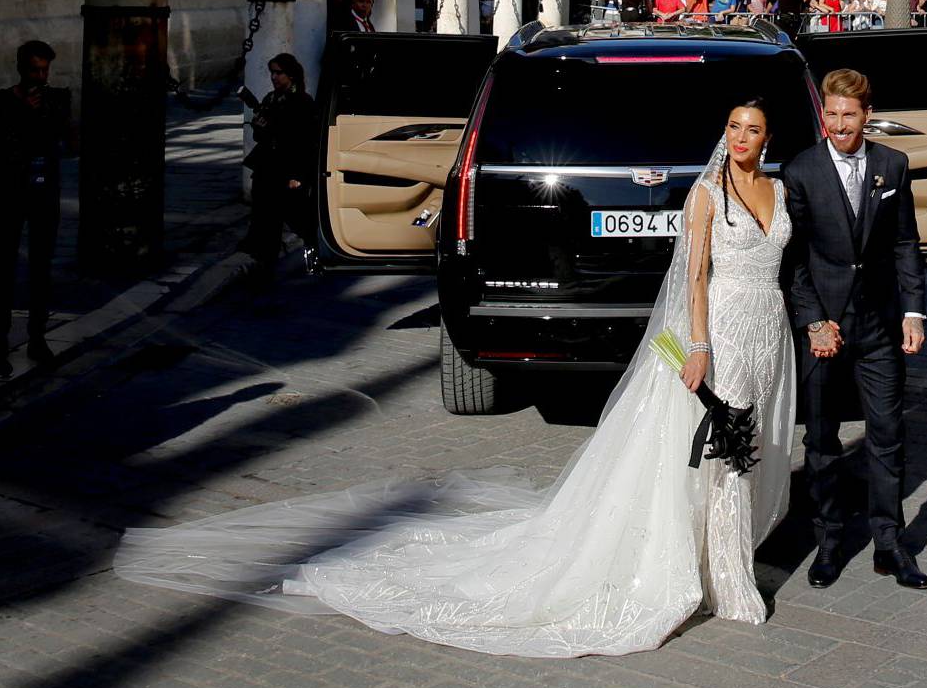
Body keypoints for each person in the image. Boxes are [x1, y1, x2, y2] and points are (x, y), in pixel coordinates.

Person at [116, 102, 796, 655]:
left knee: (747, 440)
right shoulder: (708, 194)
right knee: (723, 443)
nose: (740, 138)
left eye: (753, 129)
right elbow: (696, 275)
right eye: (733, 127)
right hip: (721, 334)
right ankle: (728, 581)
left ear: (768, 138)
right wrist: (698, 344)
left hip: (768, 330)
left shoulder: (780, 188)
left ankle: (716, 557)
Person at [780, 67, 927, 591]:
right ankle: (830, 541)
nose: (840, 124)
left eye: (850, 115)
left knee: (888, 436)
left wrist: (914, 311)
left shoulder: (894, 165)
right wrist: (813, 321)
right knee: (822, 440)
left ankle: (890, 544)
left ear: (868, 115)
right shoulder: (800, 171)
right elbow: (794, 258)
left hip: (878, 326)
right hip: (823, 328)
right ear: (824, 114)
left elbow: (906, 243)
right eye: (832, 114)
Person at [0, 39, 70, 379]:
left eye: (45, 70)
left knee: (42, 268)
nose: (40, 77)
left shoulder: (54, 100)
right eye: (35, 70)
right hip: (9, 193)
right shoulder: (3, 102)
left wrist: (47, 112)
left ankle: (37, 336)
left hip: (43, 192)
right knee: (1, 270)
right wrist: (25, 113)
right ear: (21, 69)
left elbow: (64, 139)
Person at [241, 53, 318, 272]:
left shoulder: (302, 102)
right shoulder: (270, 99)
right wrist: (259, 125)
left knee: (297, 216)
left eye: (279, 72)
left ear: (290, 75)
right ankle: (264, 257)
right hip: (268, 167)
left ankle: (317, 251)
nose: (274, 77)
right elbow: (262, 137)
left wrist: (297, 176)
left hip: (288, 168)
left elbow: (304, 142)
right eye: (272, 72)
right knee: (265, 215)